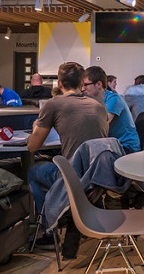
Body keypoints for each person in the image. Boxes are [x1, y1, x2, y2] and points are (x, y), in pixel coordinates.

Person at [26, 62, 108, 258]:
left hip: (72, 176)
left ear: (59, 83)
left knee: (33, 172)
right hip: (97, 177)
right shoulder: (98, 105)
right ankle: (69, 211)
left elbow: (32, 146)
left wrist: (37, 125)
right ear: (82, 82)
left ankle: (49, 225)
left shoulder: (53, 104)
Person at [82, 66, 141, 153]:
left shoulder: (114, 99)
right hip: (111, 146)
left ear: (99, 84)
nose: (83, 89)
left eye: (86, 85)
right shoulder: (93, 101)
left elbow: (102, 125)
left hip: (127, 147)